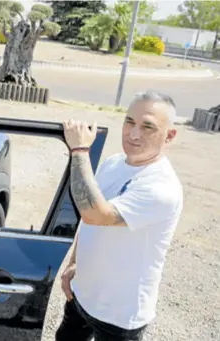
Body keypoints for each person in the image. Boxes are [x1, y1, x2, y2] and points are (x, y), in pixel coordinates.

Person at [55, 91, 184, 341]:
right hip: (82, 296)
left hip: (119, 317)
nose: (134, 134)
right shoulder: (114, 163)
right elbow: (87, 220)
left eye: (147, 127)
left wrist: (80, 150)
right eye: (129, 122)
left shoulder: (161, 187)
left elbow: (96, 214)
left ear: (169, 135)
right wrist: (74, 262)